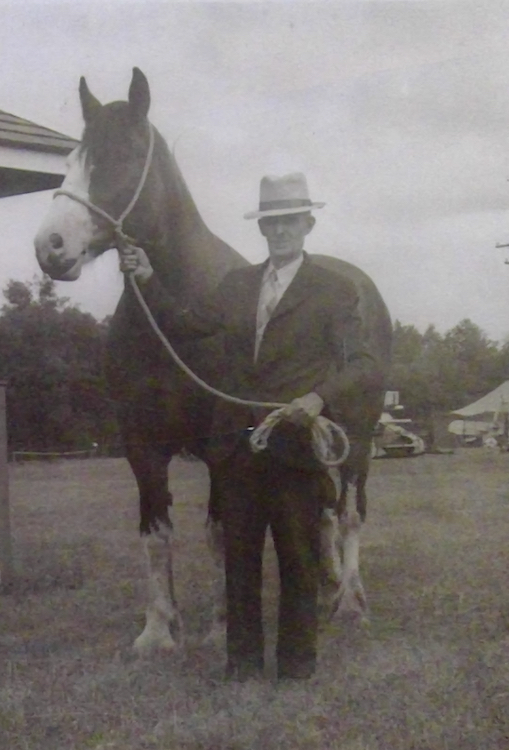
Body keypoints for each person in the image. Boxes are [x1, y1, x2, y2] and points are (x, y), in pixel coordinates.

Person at [119, 172, 378, 680]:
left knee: (299, 562)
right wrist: (148, 277)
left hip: (296, 444)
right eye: (271, 223)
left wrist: (317, 398)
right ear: (263, 229)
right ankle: (242, 665)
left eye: (289, 222)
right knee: (239, 562)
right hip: (236, 446)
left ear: (307, 224)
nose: (280, 231)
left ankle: (297, 665)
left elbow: (363, 365)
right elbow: (186, 324)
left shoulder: (335, 291)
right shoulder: (236, 286)